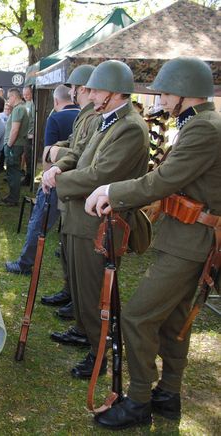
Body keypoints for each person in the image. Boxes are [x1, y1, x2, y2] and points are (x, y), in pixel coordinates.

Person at [83, 57, 221, 430]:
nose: (159, 97)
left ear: (183, 92)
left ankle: (140, 399)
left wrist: (112, 190)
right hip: (188, 238)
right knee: (174, 321)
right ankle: (168, 394)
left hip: (191, 241)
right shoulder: (199, 124)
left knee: (138, 315)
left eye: (163, 91)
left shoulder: (204, 129)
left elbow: (161, 181)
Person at [42, 60, 149, 380]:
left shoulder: (129, 126)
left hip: (99, 224)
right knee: (81, 288)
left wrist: (60, 183)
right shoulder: (106, 120)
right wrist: (59, 167)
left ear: (115, 93)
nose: (91, 93)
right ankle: (92, 341)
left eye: (98, 89)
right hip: (81, 217)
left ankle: (100, 352)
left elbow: (102, 175)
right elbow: (80, 152)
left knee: (95, 295)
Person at [40, 66, 99, 319]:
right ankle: (70, 293)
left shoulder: (95, 116)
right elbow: (74, 144)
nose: (72, 92)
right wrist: (57, 150)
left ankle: (80, 305)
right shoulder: (86, 114)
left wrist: (56, 154)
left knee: (83, 265)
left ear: (82, 88)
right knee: (67, 253)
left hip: (83, 196)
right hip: (73, 194)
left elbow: (84, 154)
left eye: (74, 87)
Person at [5, 84, 80, 275]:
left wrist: (45, 181)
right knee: (71, 226)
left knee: (38, 222)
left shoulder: (56, 117)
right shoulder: (83, 117)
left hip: (56, 178)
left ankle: (25, 264)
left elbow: (48, 153)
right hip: (78, 180)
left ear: (55, 101)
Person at [2, 88, 30, 206]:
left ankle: (13, 199)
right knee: (13, 171)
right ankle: (12, 196)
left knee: (13, 172)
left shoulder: (19, 109)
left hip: (14, 145)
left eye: (9, 97)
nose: (8, 101)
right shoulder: (20, 108)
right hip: (16, 145)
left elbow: (15, 130)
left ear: (14, 96)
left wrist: (8, 145)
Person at [22, 85, 35, 185]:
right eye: (24, 94)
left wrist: (32, 133)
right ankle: (27, 175)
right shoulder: (26, 103)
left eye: (28, 94)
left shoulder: (33, 104)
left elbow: (34, 120)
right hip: (25, 134)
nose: (26, 96)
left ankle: (29, 178)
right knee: (26, 156)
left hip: (30, 135)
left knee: (29, 156)